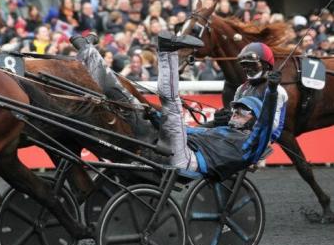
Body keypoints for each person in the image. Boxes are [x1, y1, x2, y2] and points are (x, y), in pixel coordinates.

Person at [72, 32, 281, 179]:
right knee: (130, 103)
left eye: (241, 112)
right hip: (182, 147)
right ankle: (88, 53)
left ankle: (166, 53)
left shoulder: (252, 139)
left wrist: (271, 91)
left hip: (186, 159)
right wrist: (154, 117)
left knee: (171, 102)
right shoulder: (237, 105)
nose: (234, 113)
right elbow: (195, 131)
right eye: (234, 110)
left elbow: (267, 125)